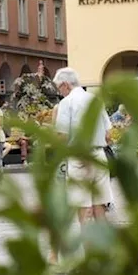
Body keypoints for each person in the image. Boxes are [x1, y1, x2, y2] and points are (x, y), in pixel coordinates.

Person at [53, 67, 112, 224]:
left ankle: (89, 246)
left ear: (65, 85)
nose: (60, 92)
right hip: (99, 155)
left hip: (78, 157)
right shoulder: (96, 100)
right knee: (100, 206)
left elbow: (62, 136)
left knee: (83, 207)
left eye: (59, 88)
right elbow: (109, 134)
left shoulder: (67, 103)